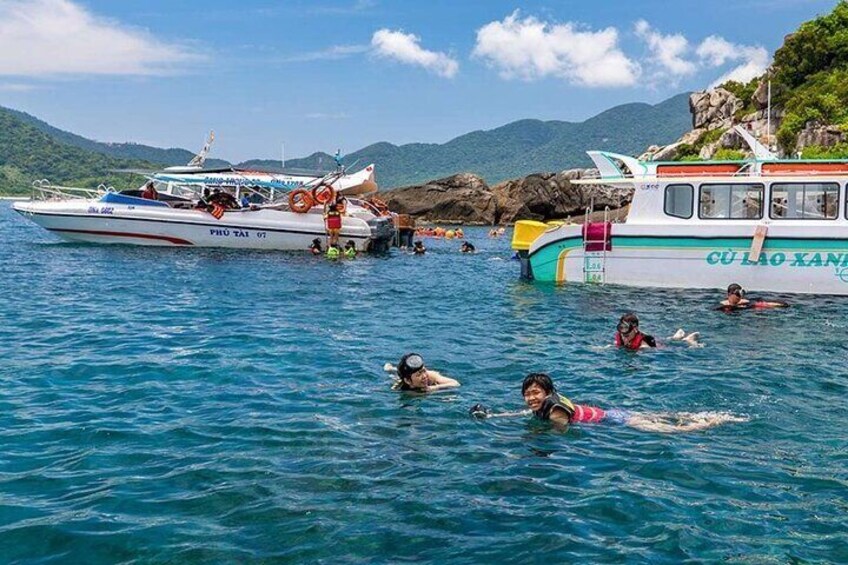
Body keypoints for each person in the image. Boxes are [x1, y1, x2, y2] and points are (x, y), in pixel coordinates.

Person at [470, 373, 746, 433]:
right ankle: (705, 416)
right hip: (614, 413)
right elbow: (525, 413)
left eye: (535, 393)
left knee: (668, 430)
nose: (531, 397)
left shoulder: (554, 410)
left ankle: (709, 423)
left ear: (548, 392)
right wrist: (494, 417)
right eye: (527, 393)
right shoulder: (546, 404)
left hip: (617, 421)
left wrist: (532, 439)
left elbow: (560, 431)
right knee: (667, 416)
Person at [613, 313, 699, 349]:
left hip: (658, 346)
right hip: (653, 339)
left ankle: (687, 339)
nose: (624, 338)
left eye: (627, 336)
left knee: (668, 345)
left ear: (635, 329)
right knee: (666, 339)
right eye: (622, 335)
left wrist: (694, 346)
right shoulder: (621, 335)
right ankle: (676, 337)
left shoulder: (643, 345)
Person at [386, 353, 460, 393]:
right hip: (403, 381)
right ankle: (390, 369)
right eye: (419, 374)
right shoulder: (398, 387)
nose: (424, 376)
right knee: (395, 376)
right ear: (408, 381)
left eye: (424, 371)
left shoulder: (431, 376)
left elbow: (455, 383)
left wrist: (435, 388)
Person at [718, 283, 789, 312]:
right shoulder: (721, 306)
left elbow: (761, 303)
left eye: (741, 294)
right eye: (737, 294)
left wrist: (780, 305)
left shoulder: (745, 302)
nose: (739, 297)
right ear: (729, 294)